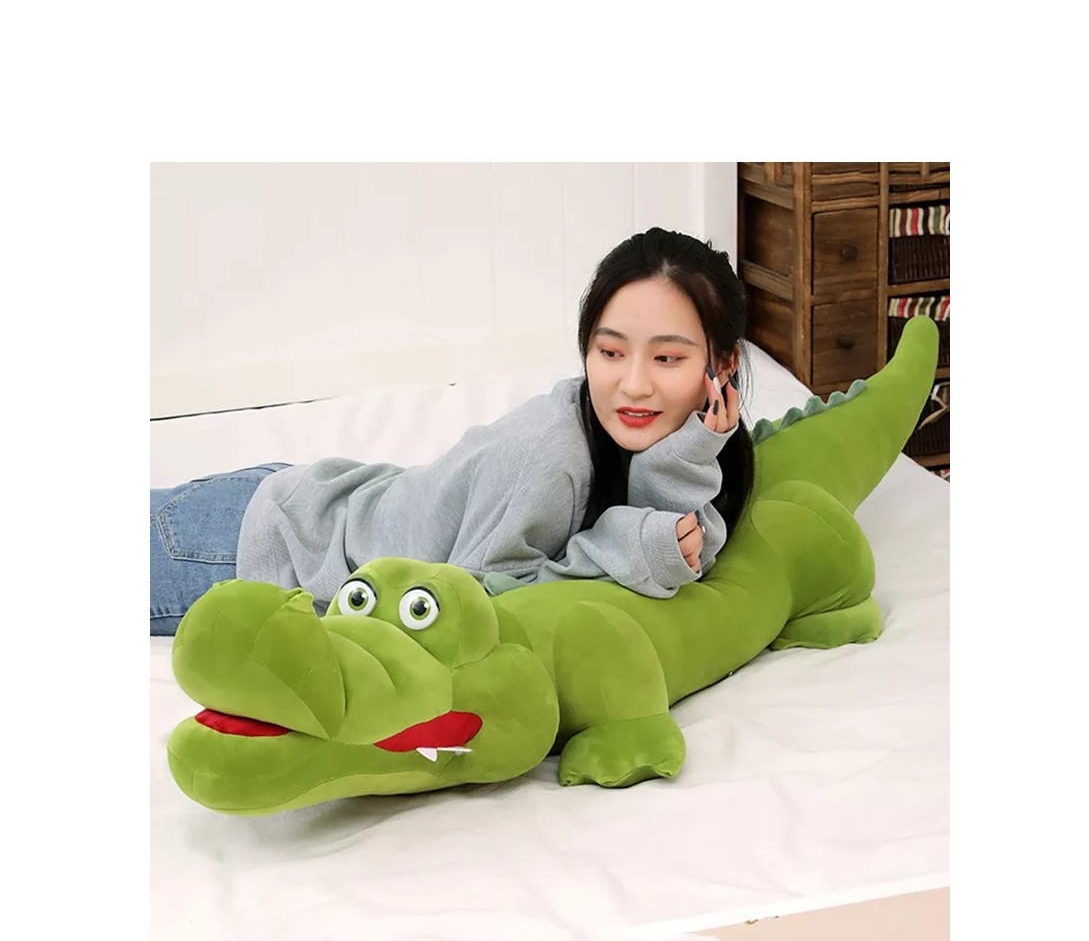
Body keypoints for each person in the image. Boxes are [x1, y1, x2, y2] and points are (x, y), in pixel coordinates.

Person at [150, 226, 755, 636]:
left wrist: (683, 462)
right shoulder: (547, 459)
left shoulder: (691, 444)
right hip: (263, 549)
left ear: (723, 362)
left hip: (322, 511)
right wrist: (626, 547)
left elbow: (678, 542)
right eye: (610, 352)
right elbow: (467, 612)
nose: (633, 385)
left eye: (667, 358)